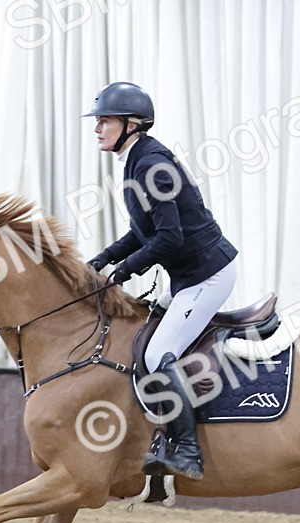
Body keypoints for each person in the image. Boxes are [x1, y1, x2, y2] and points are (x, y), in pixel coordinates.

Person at [83, 81, 237, 481]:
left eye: (105, 121)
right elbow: (145, 230)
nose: (97, 129)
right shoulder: (137, 160)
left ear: (132, 124)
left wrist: (125, 269)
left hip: (207, 275)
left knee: (157, 354)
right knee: (141, 339)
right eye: (97, 122)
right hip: (188, 276)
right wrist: (106, 257)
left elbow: (170, 238)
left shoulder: (151, 164)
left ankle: (188, 451)